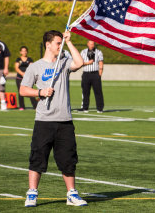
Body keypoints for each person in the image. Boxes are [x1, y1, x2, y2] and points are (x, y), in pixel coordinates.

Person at [20, 30, 86, 207]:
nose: (60, 46)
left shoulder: (63, 63)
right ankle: (32, 193)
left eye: (61, 43)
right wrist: (40, 92)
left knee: (68, 159)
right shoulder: (35, 67)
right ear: (48, 44)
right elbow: (23, 89)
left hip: (65, 120)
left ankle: (71, 193)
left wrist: (69, 42)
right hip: (44, 121)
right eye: (58, 43)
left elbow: (79, 62)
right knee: (38, 157)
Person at [80, 40, 104, 113]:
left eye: (93, 44)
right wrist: (88, 63)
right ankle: (85, 108)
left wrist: (99, 73)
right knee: (85, 91)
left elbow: (101, 62)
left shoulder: (98, 52)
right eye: (90, 44)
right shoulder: (83, 52)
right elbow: (80, 63)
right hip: (86, 73)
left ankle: (100, 108)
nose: (91, 45)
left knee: (98, 92)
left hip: (95, 74)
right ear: (87, 44)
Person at [15, 46, 38, 110]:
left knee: (30, 92)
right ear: (20, 52)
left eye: (25, 51)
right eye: (23, 51)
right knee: (20, 92)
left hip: (28, 78)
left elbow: (31, 67)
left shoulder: (29, 59)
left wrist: (27, 74)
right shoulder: (18, 59)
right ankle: (22, 106)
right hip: (19, 78)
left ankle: (35, 106)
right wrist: (22, 74)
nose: (24, 52)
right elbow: (16, 68)